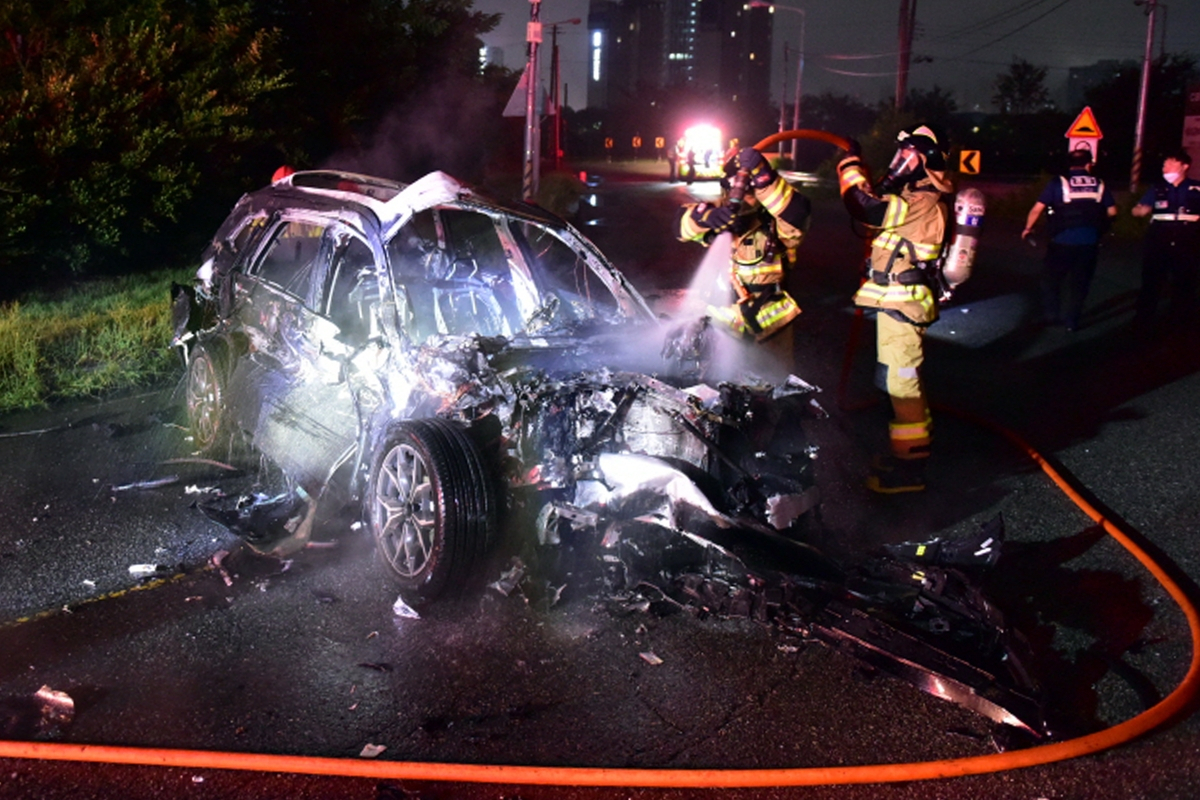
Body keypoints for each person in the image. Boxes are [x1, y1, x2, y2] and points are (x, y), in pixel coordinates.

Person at [835, 125, 953, 494]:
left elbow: (863, 205)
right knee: (895, 381)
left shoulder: (924, 198)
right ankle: (908, 452)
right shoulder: (912, 194)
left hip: (905, 303)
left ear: (926, 161)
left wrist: (850, 165)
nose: (899, 162)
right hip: (896, 303)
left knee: (902, 383)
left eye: (908, 156)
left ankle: (911, 468)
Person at [675, 146, 812, 376]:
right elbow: (680, 225)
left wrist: (765, 177)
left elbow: (798, 213)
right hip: (723, 323)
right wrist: (707, 218)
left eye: (750, 191)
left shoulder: (776, 222)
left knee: (772, 386)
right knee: (720, 387)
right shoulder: (719, 214)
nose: (741, 200)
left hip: (770, 325)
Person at [1021, 148, 1117, 332]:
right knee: (1080, 283)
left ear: (1070, 164)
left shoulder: (1059, 183)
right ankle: (1072, 321)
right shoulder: (1100, 184)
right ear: (1089, 164)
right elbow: (1112, 212)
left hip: (1061, 243)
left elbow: (1036, 209)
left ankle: (1052, 314)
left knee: (1050, 280)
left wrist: (1028, 229)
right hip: (1089, 243)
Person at [1131, 151, 1200, 329]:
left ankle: (1181, 318)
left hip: (1188, 236)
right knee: (1152, 279)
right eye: (1164, 165)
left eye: (1170, 164)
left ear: (1184, 166)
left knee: (1185, 279)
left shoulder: (1196, 188)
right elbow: (1137, 209)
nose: (1165, 168)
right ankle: (1144, 319)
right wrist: (1140, 211)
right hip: (1160, 235)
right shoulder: (1157, 188)